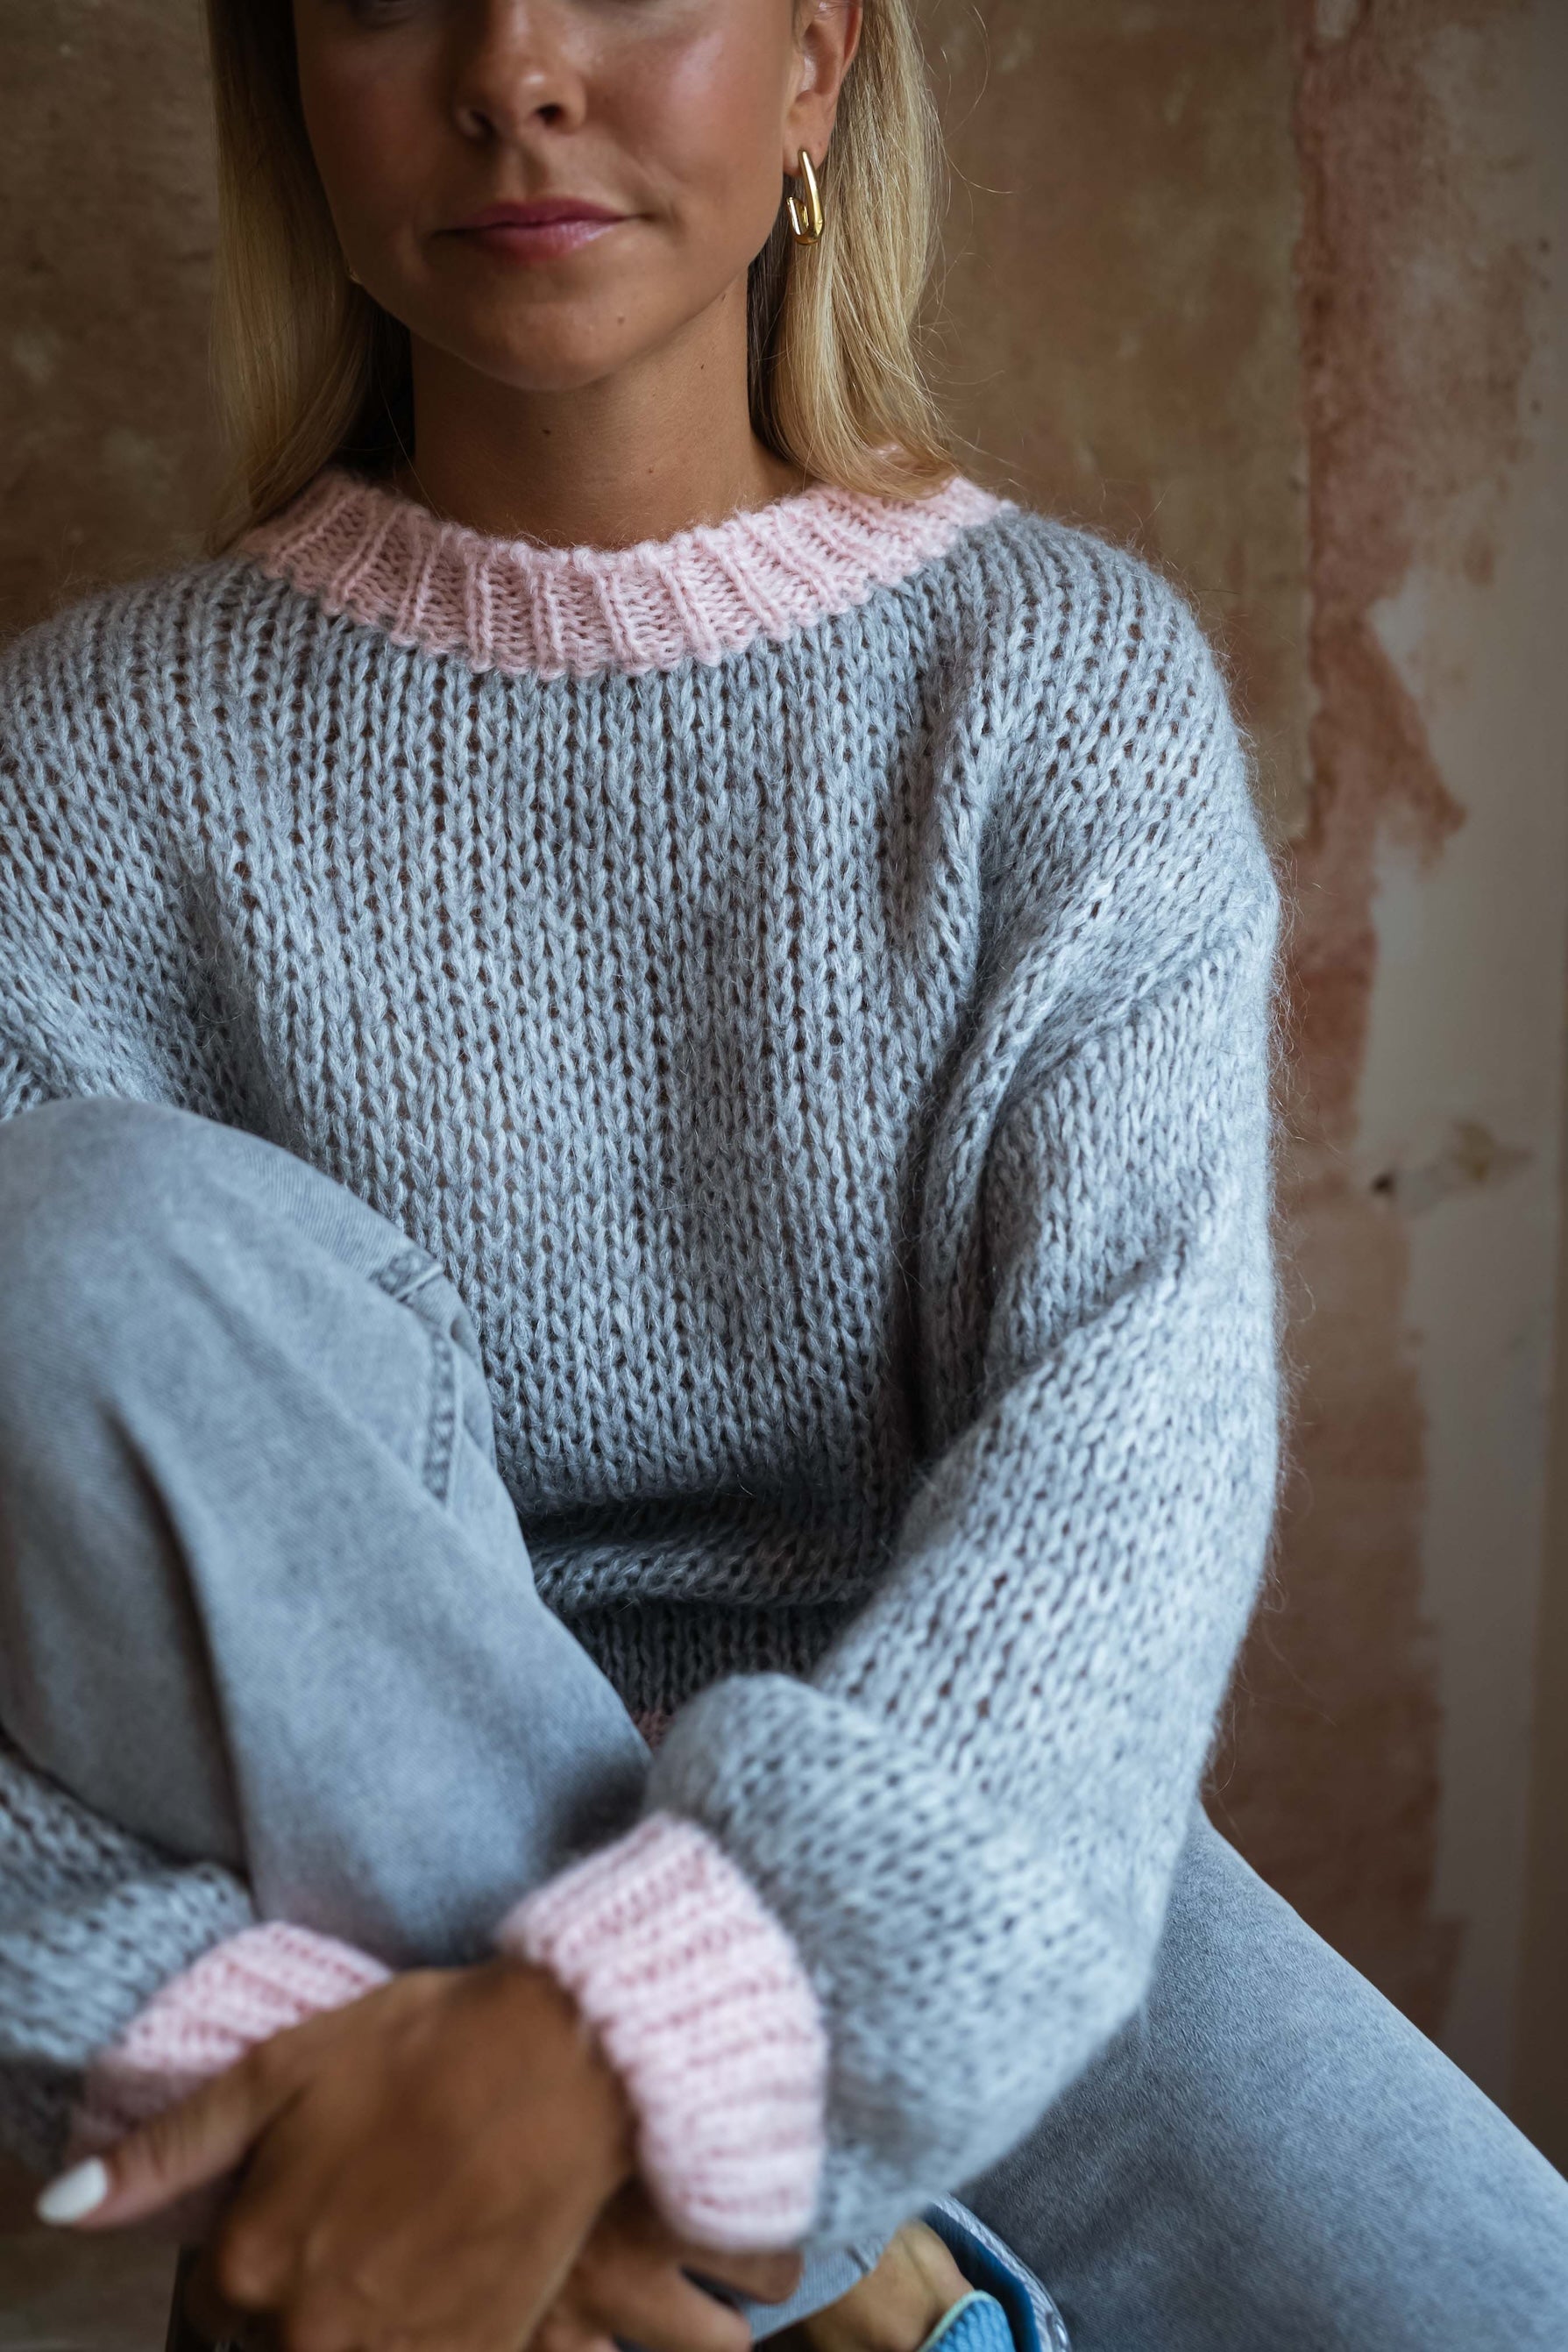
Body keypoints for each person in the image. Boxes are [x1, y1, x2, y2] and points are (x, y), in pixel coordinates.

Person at [1, 3, 1564, 2349]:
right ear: (289, 89)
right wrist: (277, 2061)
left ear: (821, 63)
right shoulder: (82, 763)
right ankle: (880, 2304)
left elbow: (1124, 1485)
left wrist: (599, 2052)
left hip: (956, 1869)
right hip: (324, 1956)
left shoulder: (1059, 691)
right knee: (62, 1246)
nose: (515, 67)